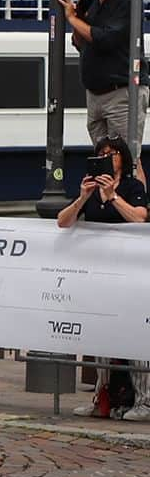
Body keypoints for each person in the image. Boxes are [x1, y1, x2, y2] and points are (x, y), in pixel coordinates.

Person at [57, 136, 150, 420]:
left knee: (135, 335)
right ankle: (103, 396)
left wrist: (113, 197)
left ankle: (144, 400)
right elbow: (63, 220)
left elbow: (140, 217)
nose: (108, 157)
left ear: (122, 158)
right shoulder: (91, 189)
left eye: (112, 153)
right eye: (102, 154)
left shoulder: (133, 187)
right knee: (100, 336)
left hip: (132, 272)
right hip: (100, 272)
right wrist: (83, 197)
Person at [60, 0, 149, 179]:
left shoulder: (128, 1)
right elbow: (80, 43)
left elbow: (105, 39)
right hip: (95, 95)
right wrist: (79, 15)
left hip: (122, 93)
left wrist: (71, 18)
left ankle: (138, 210)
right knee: (103, 159)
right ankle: (111, 204)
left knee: (128, 158)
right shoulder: (92, 2)